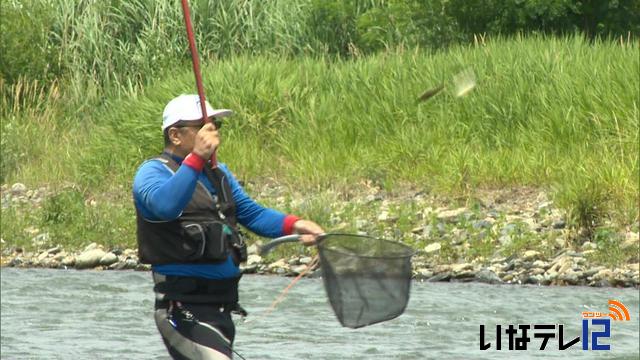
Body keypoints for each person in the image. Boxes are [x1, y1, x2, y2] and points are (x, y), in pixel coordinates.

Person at [133, 94, 324, 359]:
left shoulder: (219, 174)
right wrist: (197, 157)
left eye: (215, 126)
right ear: (175, 135)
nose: (211, 133)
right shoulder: (152, 173)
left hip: (221, 309)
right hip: (181, 308)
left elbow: (252, 214)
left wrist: (296, 224)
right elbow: (166, 206)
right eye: (201, 126)